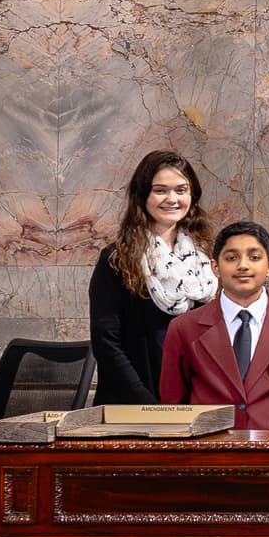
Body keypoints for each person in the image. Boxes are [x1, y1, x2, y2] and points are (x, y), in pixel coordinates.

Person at [156, 221, 269, 427]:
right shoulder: (184, 328)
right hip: (209, 452)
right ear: (215, 267)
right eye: (232, 258)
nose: (243, 265)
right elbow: (174, 405)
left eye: (254, 257)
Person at [89, 149, 215, 405]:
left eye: (181, 190)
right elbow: (106, 344)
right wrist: (147, 405)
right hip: (134, 405)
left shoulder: (207, 257)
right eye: (160, 190)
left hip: (193, 402)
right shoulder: (117, 259)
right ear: (143, 195)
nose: (172, 199)